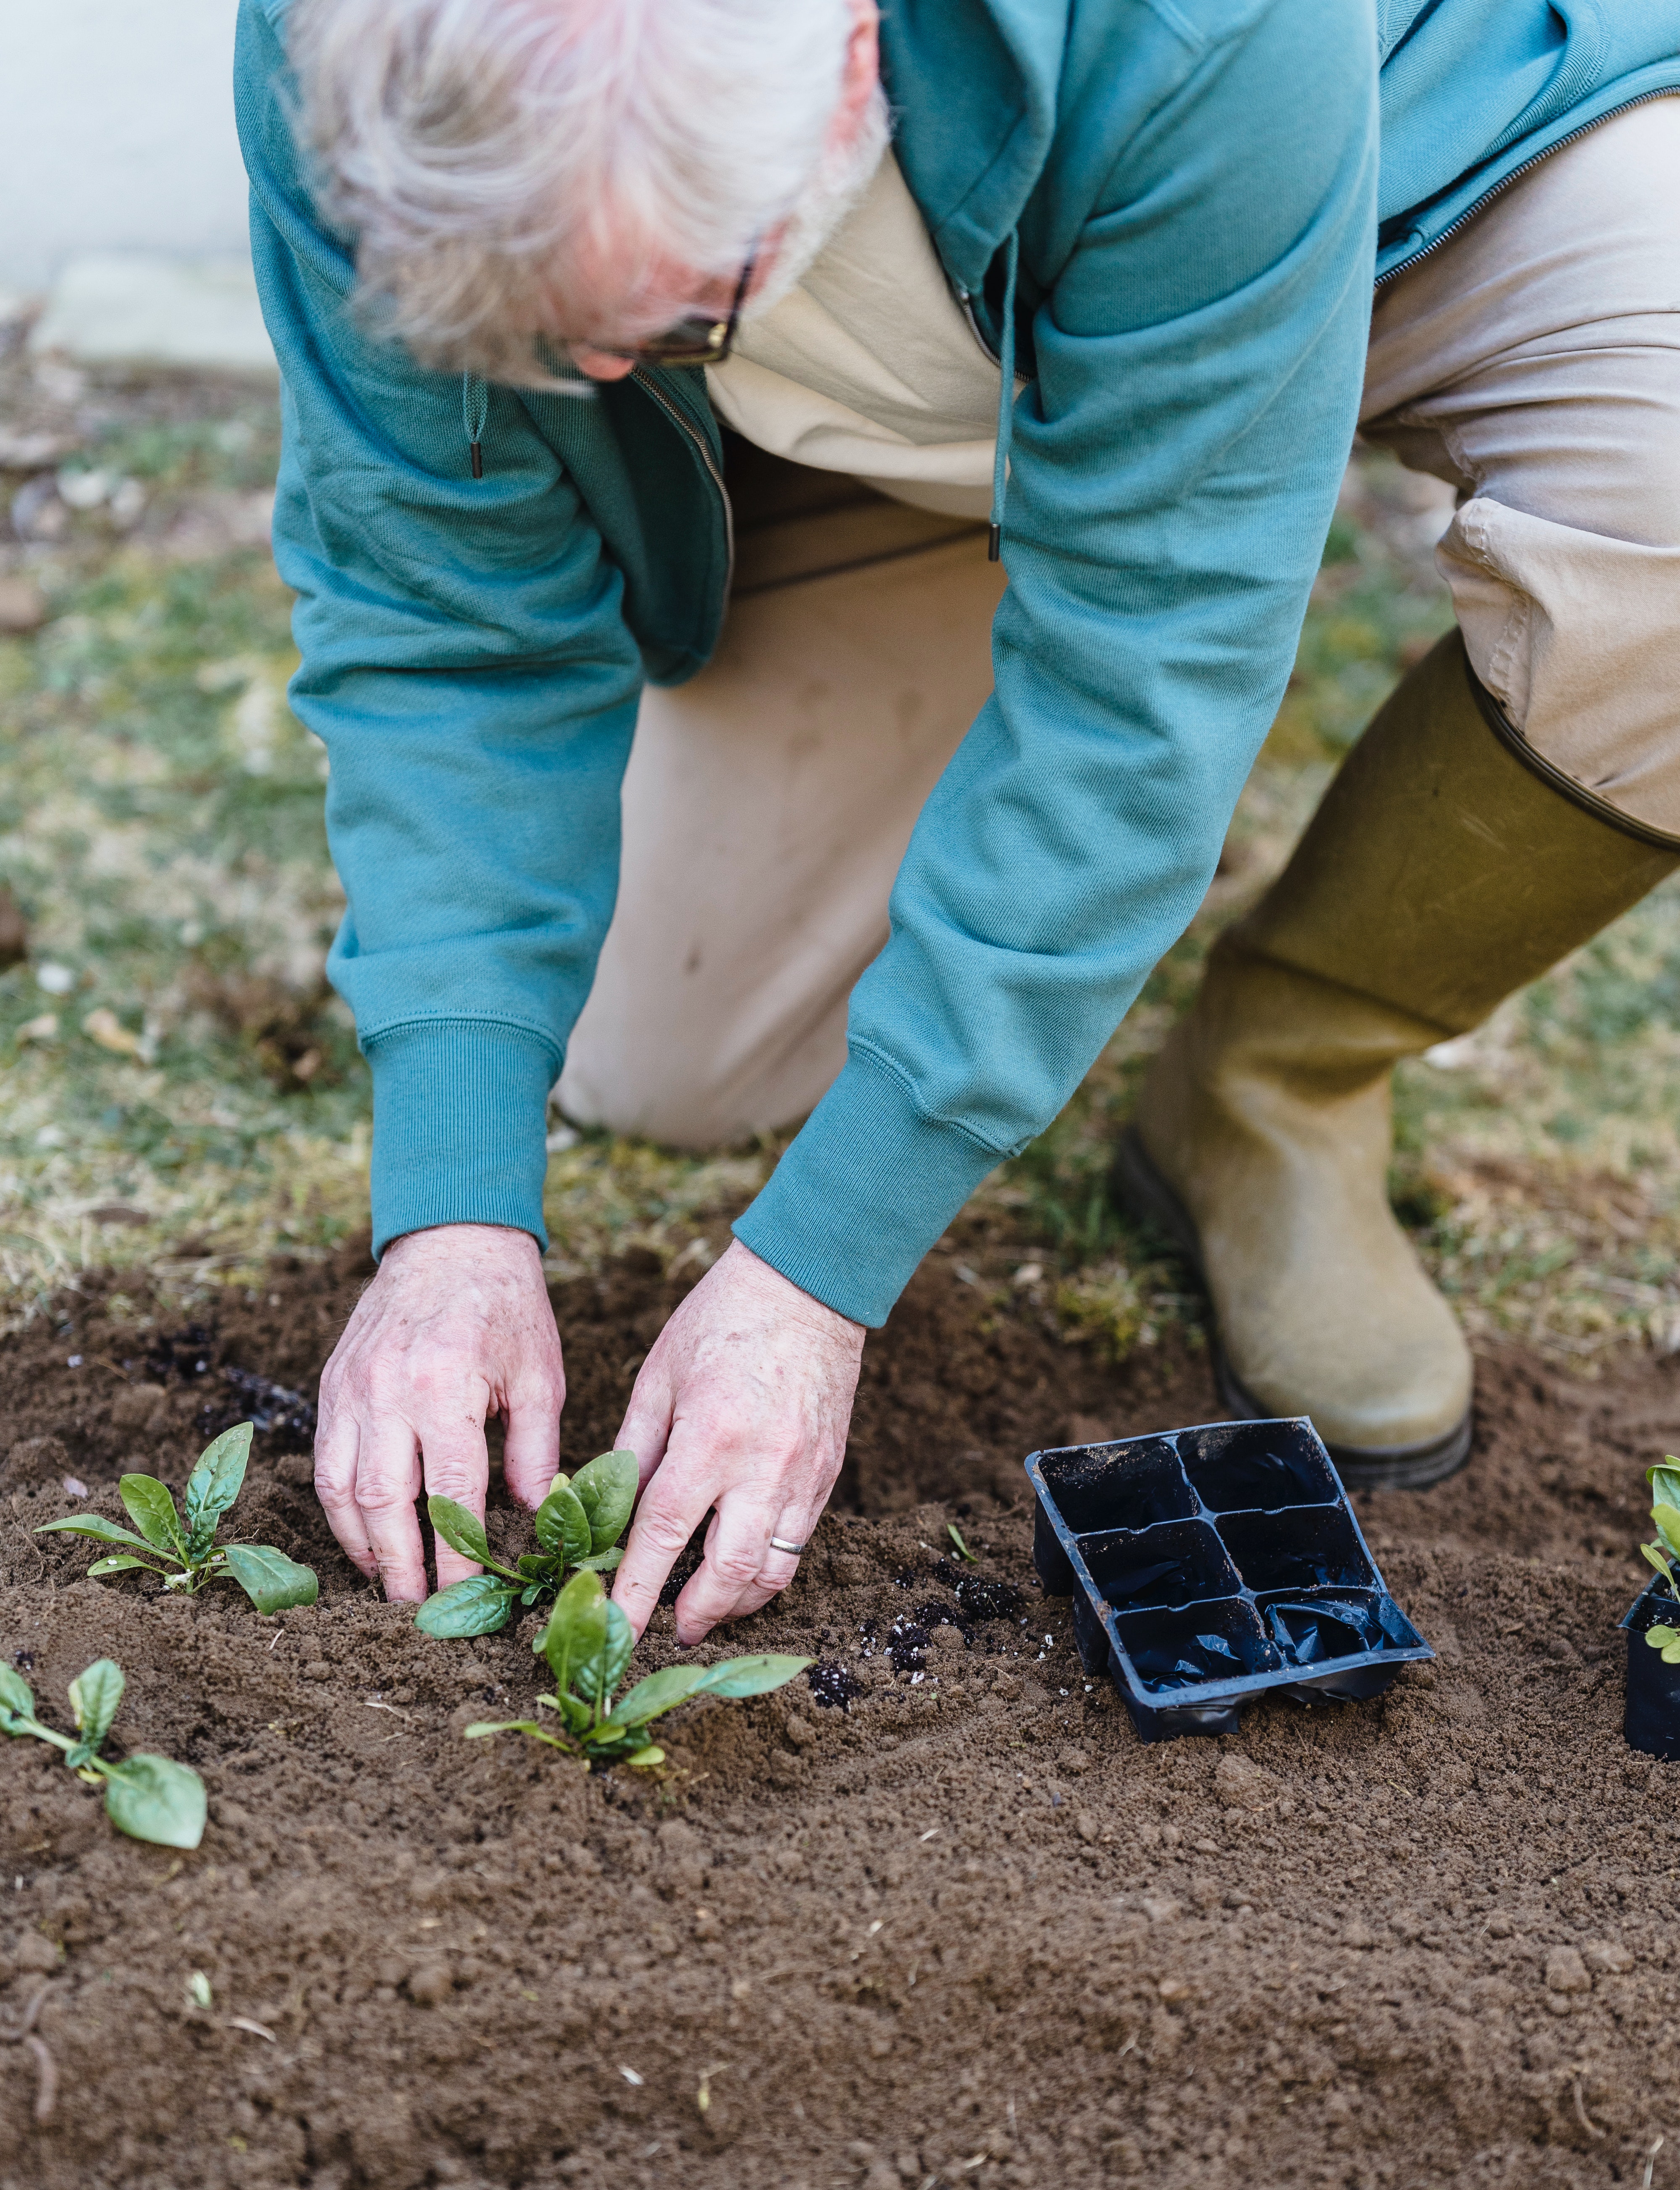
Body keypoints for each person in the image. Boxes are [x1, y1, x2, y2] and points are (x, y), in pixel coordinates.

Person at [237, 0, 1680, 1641]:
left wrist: (812, 1280)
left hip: (1396, 158)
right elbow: (438, 607)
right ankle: (939, 565)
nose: (584, 382)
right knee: (661, 1060)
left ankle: (1282, 1069)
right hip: (905, 379)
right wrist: (452, 1210)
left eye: (661, 317)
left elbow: (1147, 663)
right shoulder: (358, 55)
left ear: (851, 56)